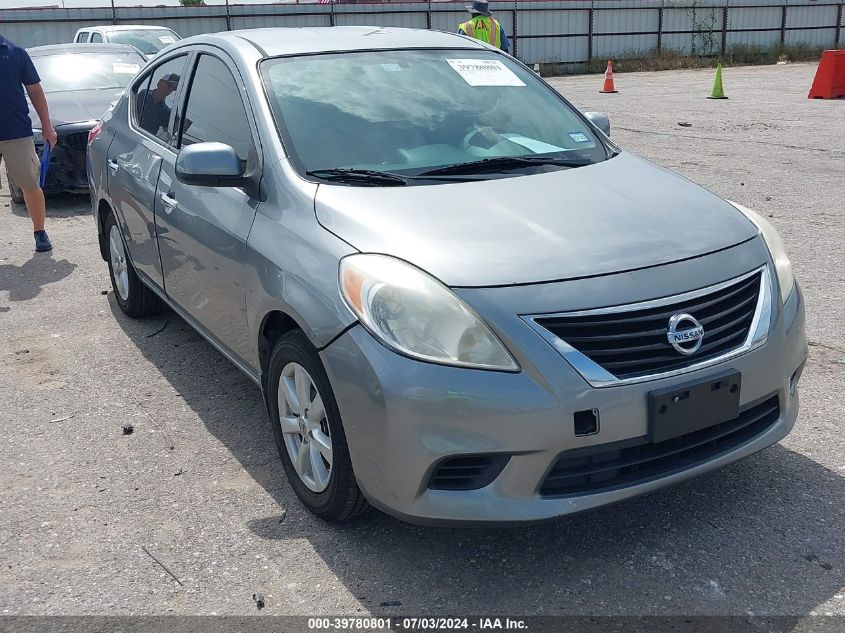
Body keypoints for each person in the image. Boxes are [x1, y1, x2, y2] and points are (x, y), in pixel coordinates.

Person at [0, 34, 57, 252]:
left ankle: (40, 233)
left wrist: (47, 125)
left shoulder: (15, 52)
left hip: (16, 132)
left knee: (31, 185)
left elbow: (34, 89)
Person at [137, 73, 180, 140]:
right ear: (159, 82)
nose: (170, 89)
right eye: (169, 85)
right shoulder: (143, 94)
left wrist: (179, 122)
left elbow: (170, 129)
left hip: (144, 143)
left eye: (174, 88)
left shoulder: (165, 111)